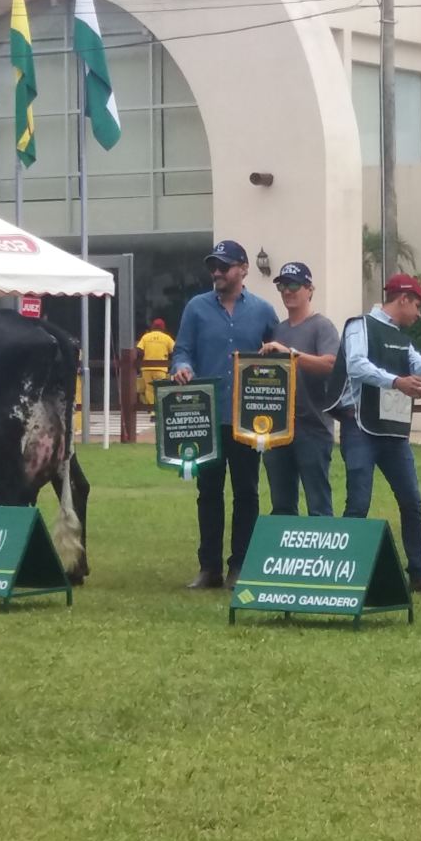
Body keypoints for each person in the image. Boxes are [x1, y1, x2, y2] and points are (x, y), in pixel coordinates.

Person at [324, 273, 421, 595]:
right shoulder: (359, 326)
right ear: (403, 299)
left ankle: (419, 575)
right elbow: (355, 364)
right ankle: (344, 573)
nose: (420, 313)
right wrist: (396, 382)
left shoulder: (402, 338)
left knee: (412, 501)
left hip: (392, 431)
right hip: (360, 428)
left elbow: (420, 370)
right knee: (359, 502)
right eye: (418, 305)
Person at [170, 240, 279, 589]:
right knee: (209, 492)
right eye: (213, 266)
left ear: (244, 268)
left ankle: (241, 566)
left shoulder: (263, 311)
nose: (217, 272)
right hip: (208, 418)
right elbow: (182, 349)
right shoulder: (196, 308)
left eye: (225, 266)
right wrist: (182, 367)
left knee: (247, 492)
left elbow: (278, 360)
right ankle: (209, 568)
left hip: (249, 421)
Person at [258, 261, 340, 517]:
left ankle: (322, 556)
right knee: (281, 505)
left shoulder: (322, 326)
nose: (287, 291)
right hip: (277, 428)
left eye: (294, 285)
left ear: (309, 289)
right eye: (283, 285)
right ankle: (286, 557)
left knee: (318, 505)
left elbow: (331, 364)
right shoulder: (277, 330)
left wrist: (290, 354)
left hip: (313, 427)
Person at [133, 318, 175, 406]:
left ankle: (153, 411)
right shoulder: (167, 338)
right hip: (160, 369)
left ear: (152, 327)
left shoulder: (145, 337)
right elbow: (175, 351)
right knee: (160, 389)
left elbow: (139, 351)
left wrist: (138, 364)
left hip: (146, 369)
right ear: (163, 328)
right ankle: (159, 410)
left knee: (149, 390)